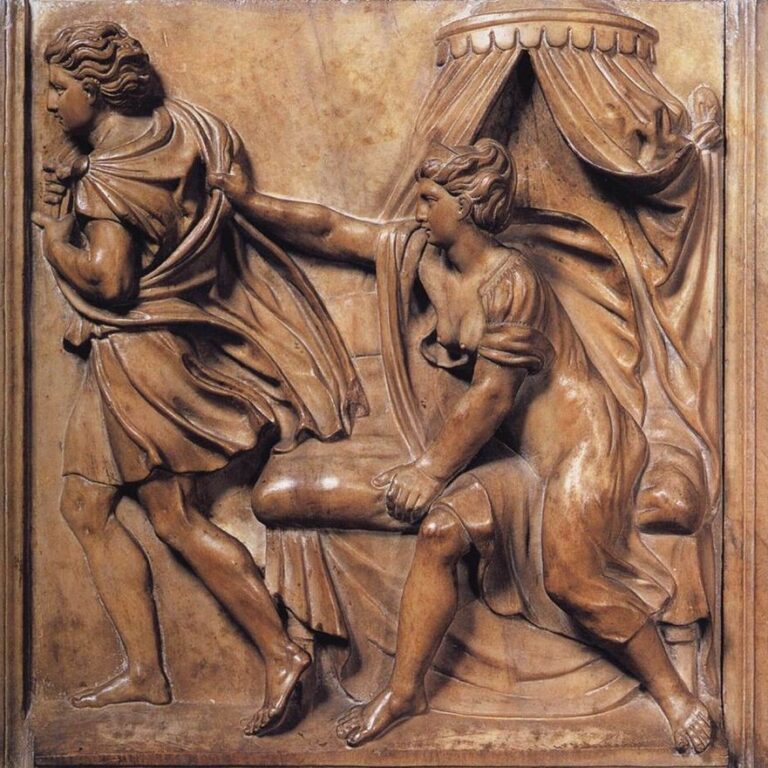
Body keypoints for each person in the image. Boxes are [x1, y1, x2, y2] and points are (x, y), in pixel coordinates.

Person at [209, 138, 714, 754]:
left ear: (468, 205)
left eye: (430, 200)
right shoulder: (423, 256)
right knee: (441, 533)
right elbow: (332, 229)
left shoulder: (512, 282)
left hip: (584, 446)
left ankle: (673, 695)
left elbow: (494, 396)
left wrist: (428, 471)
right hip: (521, 456)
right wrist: (249, 201)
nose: (419, 211)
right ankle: (404, 691)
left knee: (572, 582)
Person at [32, 21, 365, 734]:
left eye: (59, 89)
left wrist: (57, 240)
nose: (51, 104)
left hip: (140, 362)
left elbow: (112, 282)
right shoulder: (183, 131)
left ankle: (279, 651)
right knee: (87, 507)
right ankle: (149, 673)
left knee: (174, 518)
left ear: (94, 89)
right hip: (155, 348)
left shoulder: (112, 178)